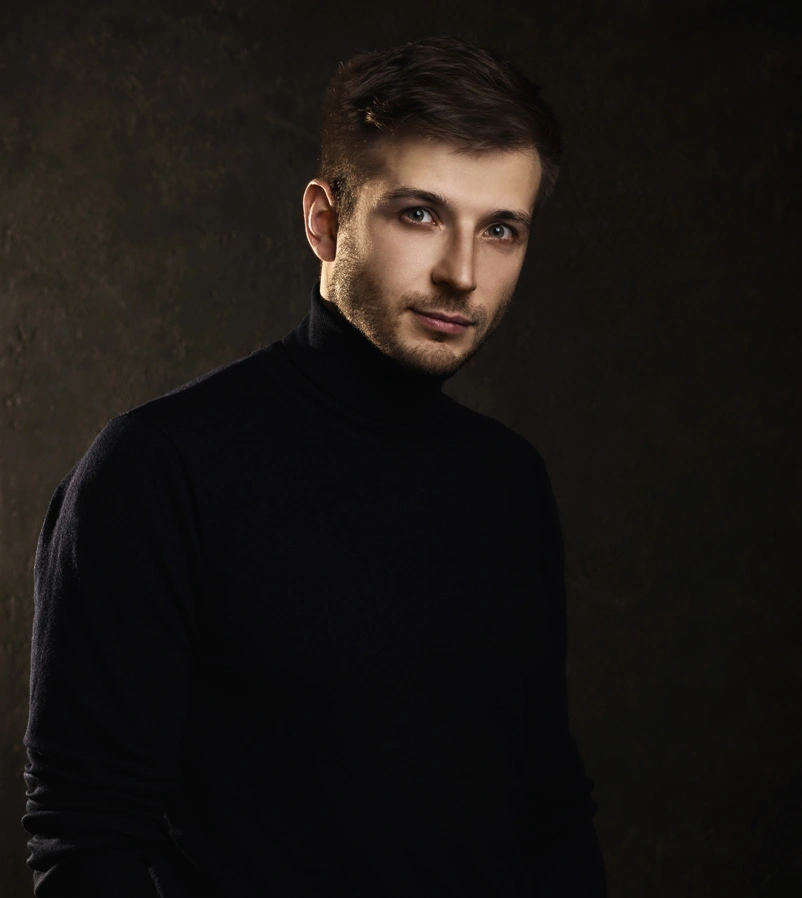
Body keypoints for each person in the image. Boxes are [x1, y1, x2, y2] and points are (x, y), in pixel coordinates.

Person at [23, 35, 608, 898]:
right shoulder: (159, 469)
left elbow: (547, 809)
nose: (463, 274)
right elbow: (89, 838)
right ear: (324, 221)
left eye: (499, 229)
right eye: (419, 214)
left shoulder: (509, 482)